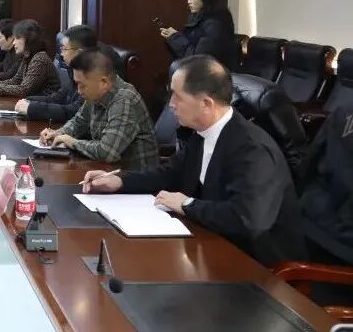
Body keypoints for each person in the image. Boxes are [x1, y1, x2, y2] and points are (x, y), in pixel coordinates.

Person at [82, 55, 306, 267]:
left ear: (206, 103)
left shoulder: (252, 149)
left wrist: (187, 204)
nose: (171, 104)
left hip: (256, 266)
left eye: (177, 97)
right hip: (210, 244)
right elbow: (170, 173)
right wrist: (120, 181)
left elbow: (247, 219)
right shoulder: (201, 133)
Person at [40, 49, 158, 169]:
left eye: (82, 85)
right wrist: (57, 133)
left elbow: (107, 152)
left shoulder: (124, 99)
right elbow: (78, 123)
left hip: (134, 175)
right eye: (77, 84)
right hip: (108, 170)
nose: (79, 91)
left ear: (103, 82)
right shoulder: (95, 94)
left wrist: (72, 142)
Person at [14, 24, 96, 122]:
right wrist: (28, 101)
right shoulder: (73, 69)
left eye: (64, 49)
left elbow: (74, 111)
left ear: (78, 53)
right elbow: (59, 97)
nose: (61, 54)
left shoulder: (94, 76)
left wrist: (32, 108)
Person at [160, 0, 238, 69]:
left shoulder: (216, 23)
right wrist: (172, 37)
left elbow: (199, 60)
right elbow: (189, 48)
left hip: (213, 74)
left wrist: (176, 38)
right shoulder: (196, 17)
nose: (188, 1)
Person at [0, 19, 60, 98]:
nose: (14, 42)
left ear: (29, 40)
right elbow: (16, 80)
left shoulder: (39, 59)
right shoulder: (27, 56)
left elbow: (24, 90)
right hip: (32, 101)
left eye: (17, 38)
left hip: (44, 103)